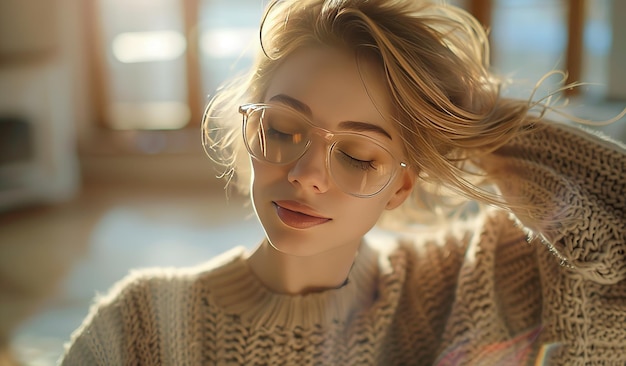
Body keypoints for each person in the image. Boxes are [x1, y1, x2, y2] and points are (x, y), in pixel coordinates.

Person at [60, 0, 626, 365]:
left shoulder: (464, 285)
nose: (306, 176)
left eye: (357, 155)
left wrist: (473, 116)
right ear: (249, 127)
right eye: (283, 129)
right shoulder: (139, 325)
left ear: (401, 186)